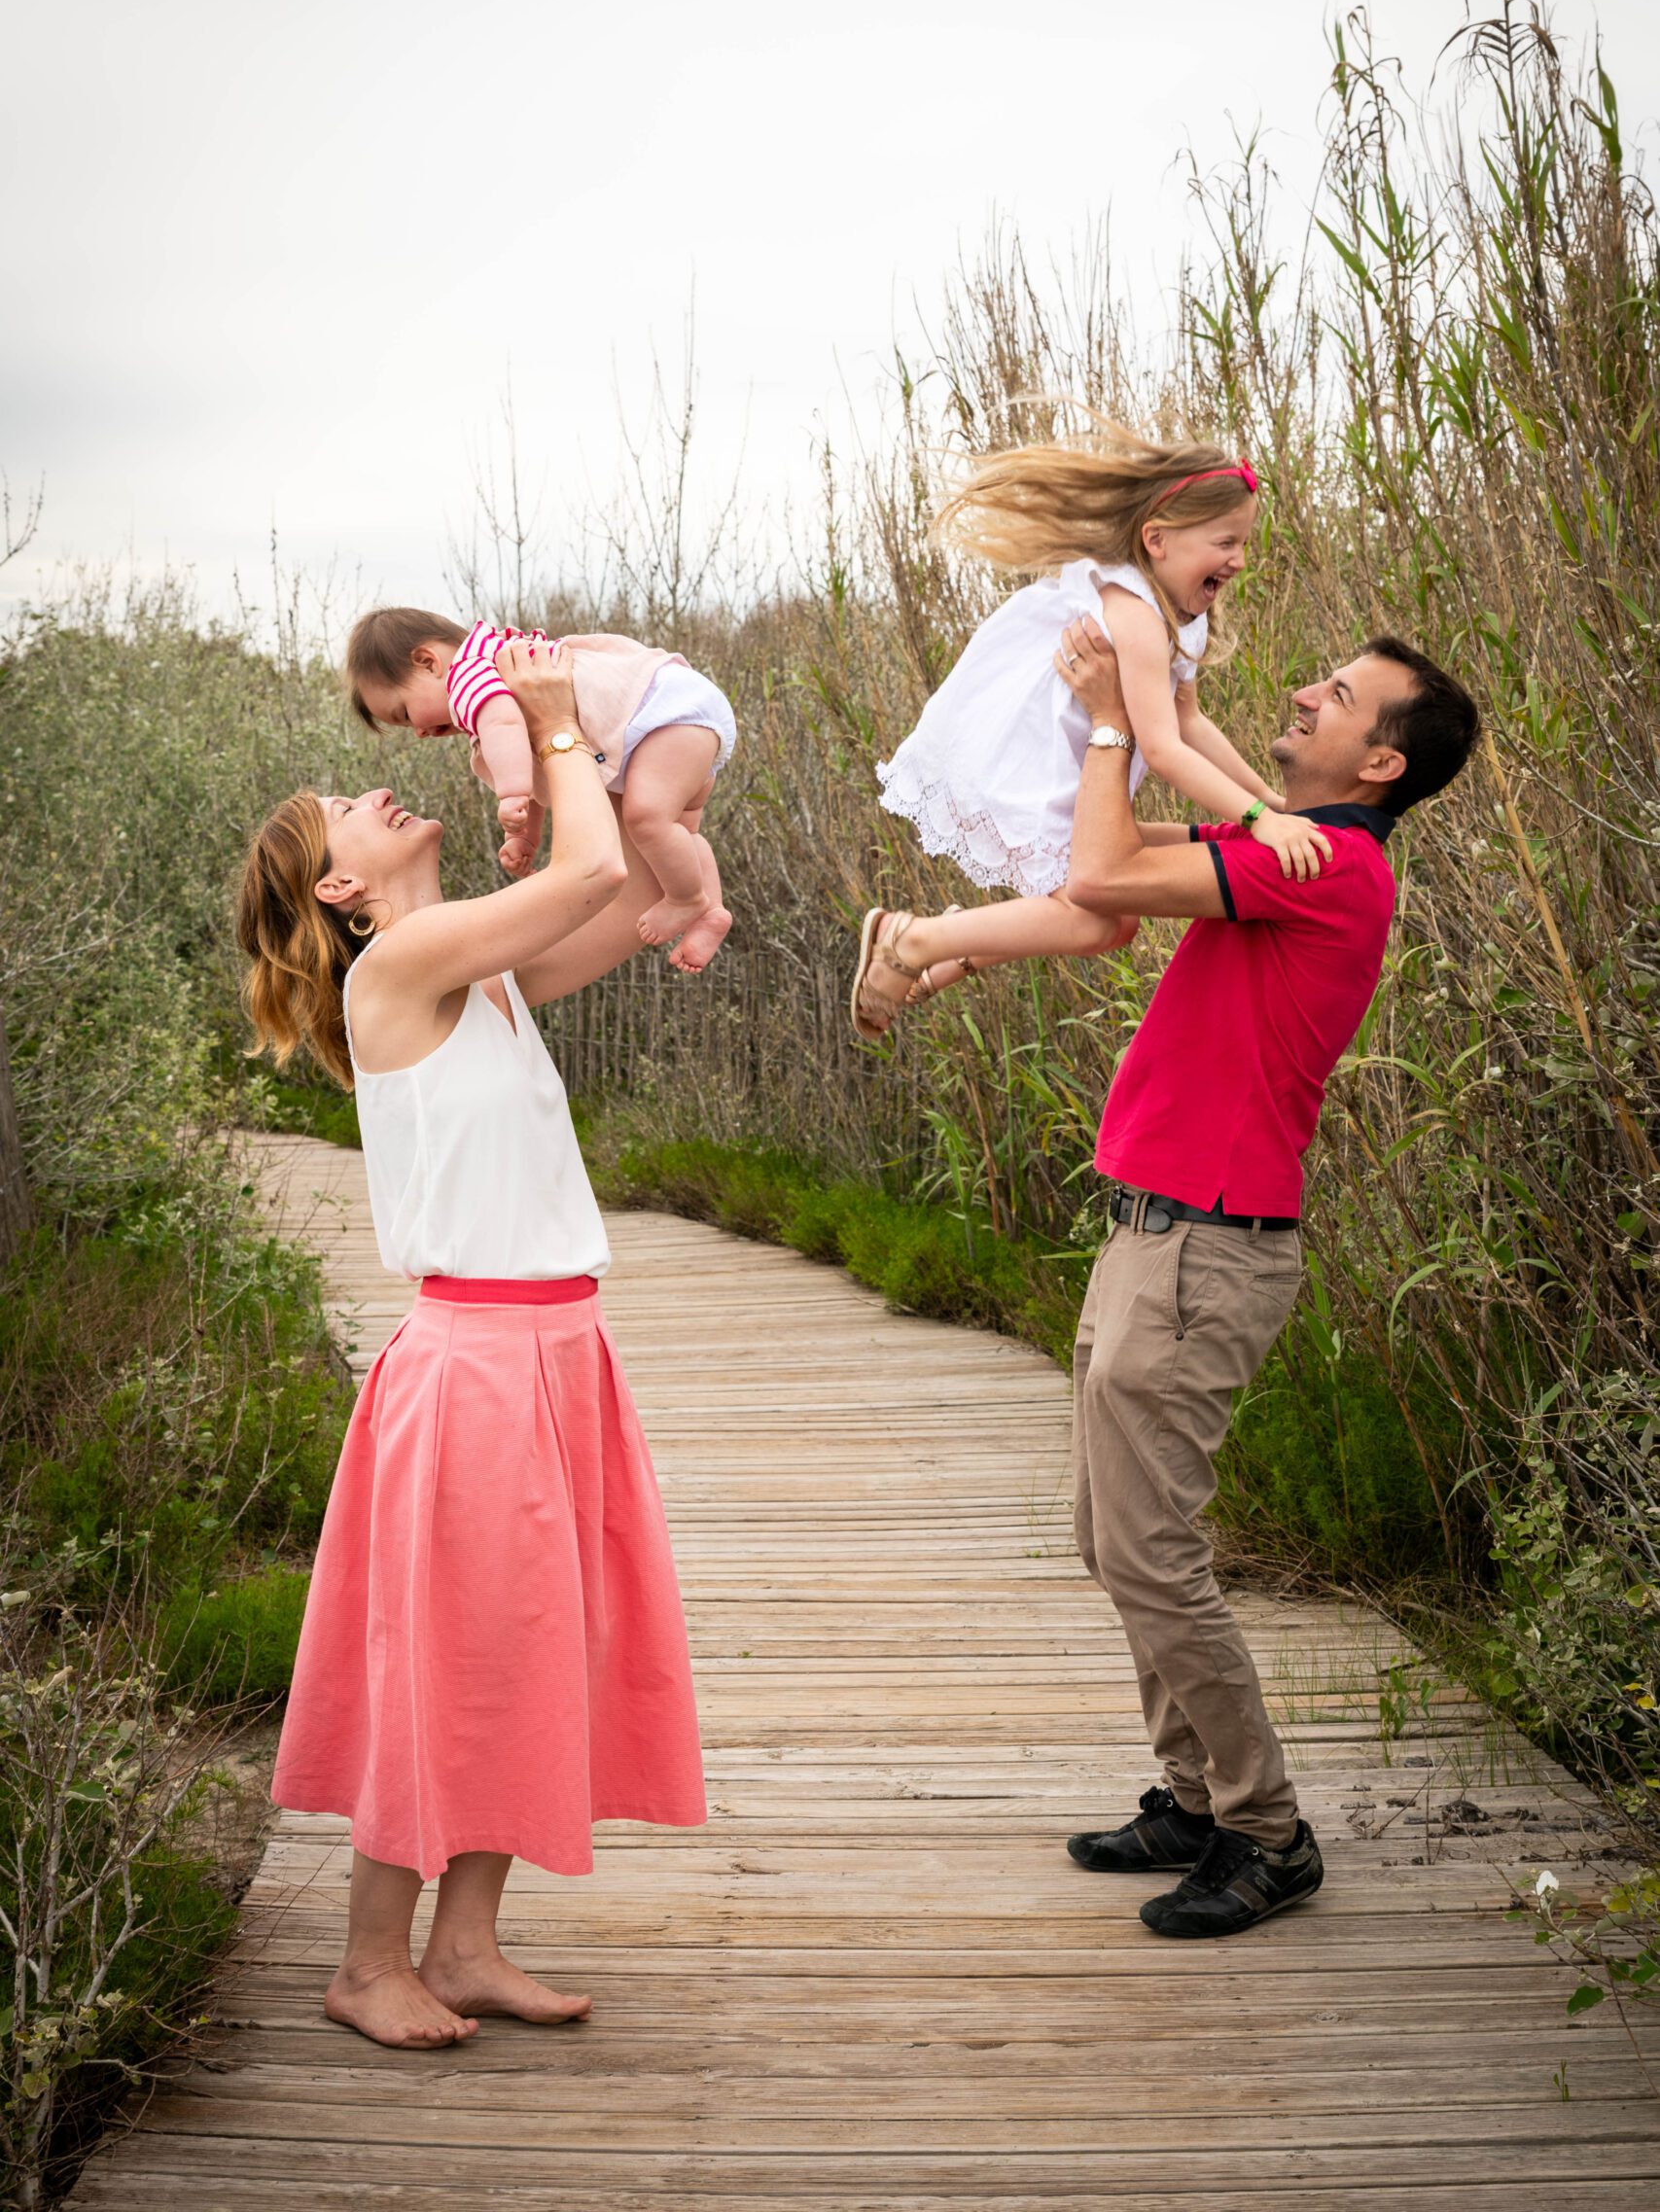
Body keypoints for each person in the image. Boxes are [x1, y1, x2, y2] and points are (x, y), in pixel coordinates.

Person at [860, 615, 1480, 1937]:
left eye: (1341, 695)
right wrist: (1154, 696)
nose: (1309, 691)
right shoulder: (1282, 842)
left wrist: (1102, 722)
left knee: (1149, 1553)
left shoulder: (1328, 870)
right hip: (1156, 1235)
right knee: (1111, 1539)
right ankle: (1189, 1799)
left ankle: (1265, 1833)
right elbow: (1143, 824)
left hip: (1206, 1249)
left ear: (1376, 765)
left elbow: (1099, 866)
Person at [236, 637, 706, 2047]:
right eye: (350, 809)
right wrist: (555, 726)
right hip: (476, 1368)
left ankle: (465, 1946)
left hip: (557, 1357)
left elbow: (605, 897)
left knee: (530, 1650)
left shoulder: (477, 972)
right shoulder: (402, 963)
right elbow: (573, 879)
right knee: (444, 1657)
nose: (381, 789)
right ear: (341, 888)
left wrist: (668, 833)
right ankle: (367, 1963)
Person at [855, 420, 1325, 1036]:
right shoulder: (1133, 613)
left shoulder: (1183, 616)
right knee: (1101, 919)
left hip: (1076, 770)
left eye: (1243, 543)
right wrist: (1261, 824)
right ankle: (912, 939)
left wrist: (1269, 799)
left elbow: (1189, 723)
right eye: (1225, 542)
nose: (1239, 560)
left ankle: (941, 948)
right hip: (1036, 761)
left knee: (1102, 913)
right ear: (1157, 539)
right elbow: (1160, 749)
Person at [345, 605, 736, 971]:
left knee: (647, 819)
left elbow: (508, 731)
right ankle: (711, 912)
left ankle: (686, 899)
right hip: (673, 718)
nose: (418, 732)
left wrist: (510, 795)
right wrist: (525, 835)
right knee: (679, 832)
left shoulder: (467, 675)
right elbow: (538, 767)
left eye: (405, 713)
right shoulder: (494, 667)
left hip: (662, 714)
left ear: (428, 662)